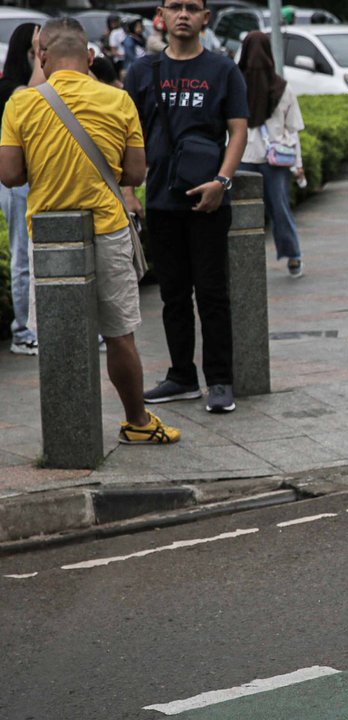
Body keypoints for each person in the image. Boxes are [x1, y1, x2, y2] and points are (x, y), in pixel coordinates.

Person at [0, 18, 180, 445]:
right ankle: (137, 422)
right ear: (92, 57)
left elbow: (9, 175)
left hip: (50, 236)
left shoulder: (21, 104)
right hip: (109, 230)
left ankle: (67, 434)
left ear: (40, 56)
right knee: (119, 335)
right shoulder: (118, 100)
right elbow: (135, 172)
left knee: (59, 338)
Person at [124, 0, 249, 414]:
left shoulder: (223, 69)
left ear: (205, 18)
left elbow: (238, 130)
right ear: (161, 14)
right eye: (175, 7)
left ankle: (219, 381)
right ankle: (181, 376)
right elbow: (131, 134)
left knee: (213, 294)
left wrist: (222, 182)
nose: (183, 14)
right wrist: (129, 190)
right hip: (160, 201)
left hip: (209, 201)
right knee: (173, 295)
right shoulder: (143, 71)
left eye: (192, 8)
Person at [237, 32, 305, 278]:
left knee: (241, 214)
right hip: (276, 158)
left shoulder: (235, 85)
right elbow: (292, 130)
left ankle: (241, 261)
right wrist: (298, 163)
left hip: (241, 158)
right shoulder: (282, 88)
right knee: (280, 209)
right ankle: (293, 256)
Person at [0, 23, 42, 356]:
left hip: (40, 178)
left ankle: (38, 326)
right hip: (17, 182)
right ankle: (23, 331)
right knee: (22, 255)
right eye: (34, 52)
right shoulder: (10, 89)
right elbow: (31, 103)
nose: (41, 57)